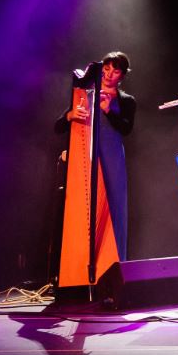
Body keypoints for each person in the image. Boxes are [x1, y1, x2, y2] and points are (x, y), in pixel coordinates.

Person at [55, 52, 135, 259]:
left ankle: (114, 262)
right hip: (87, 157)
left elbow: (126, 129)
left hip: (112, 158)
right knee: (83, 208)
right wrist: (70, 115)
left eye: (115, 71)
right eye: (106, 69)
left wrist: (108, 110)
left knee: (114, 207)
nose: (108, 75)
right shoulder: (85, 95)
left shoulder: (127, 101)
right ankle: (81, 260)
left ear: (122, 75)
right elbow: (57, 127)